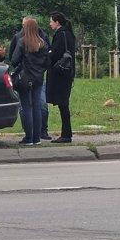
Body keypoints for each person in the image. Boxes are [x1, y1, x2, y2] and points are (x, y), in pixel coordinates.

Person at [10, 16, 50, 145]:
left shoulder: (22, 42)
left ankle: (28, 138)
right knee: (37, 106)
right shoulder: (43, 43)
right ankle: (37, 138)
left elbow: (14, 60)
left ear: (26, 28)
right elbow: (48, 61)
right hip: (38, 78)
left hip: (25, 78)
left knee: (27, 106)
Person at [47, 12, 76, 143]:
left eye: (51, 21)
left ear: (57, 22)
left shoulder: (60, 34)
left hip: (60, 73)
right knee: (64, 104)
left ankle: (66, 134)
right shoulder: (69, 34)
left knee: (63, 104)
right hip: (67, 72)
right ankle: (66, 132)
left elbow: (56, 53)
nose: (50, 23)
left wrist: (47, 55)